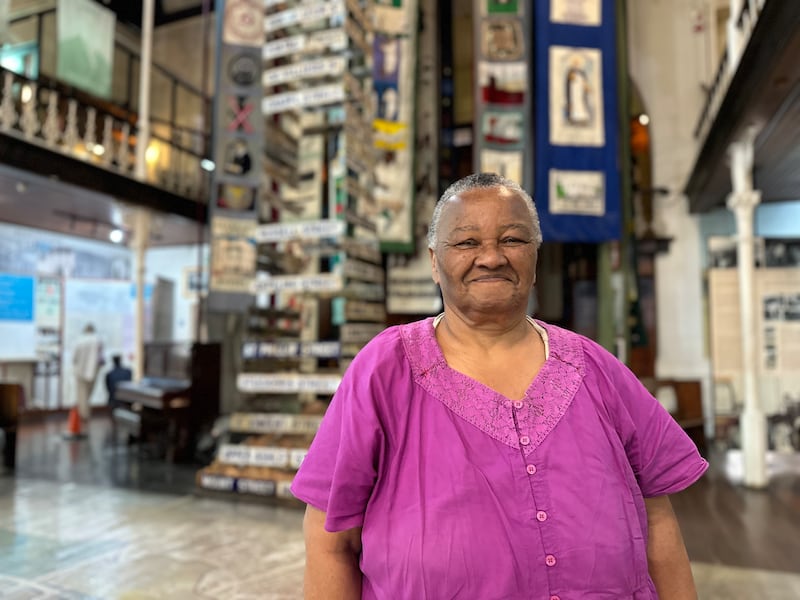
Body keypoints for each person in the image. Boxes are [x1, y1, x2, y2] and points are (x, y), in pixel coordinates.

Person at [291, 172, 708, 599]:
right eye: (467, 242)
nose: (491, 257)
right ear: (435, 262)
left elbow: (657, 521)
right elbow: (330, 541)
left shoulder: (594, 367)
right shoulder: (383, 371)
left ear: (535, 258)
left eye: (512, 240)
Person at [72, 323, 104, 423]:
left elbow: (74, 358)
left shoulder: (79, 341)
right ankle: (85, 413)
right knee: (88, 394)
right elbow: (101, 359)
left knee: (82, 394)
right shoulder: (98, 340)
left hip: (80, 372)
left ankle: (84, 415)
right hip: (93, 371)